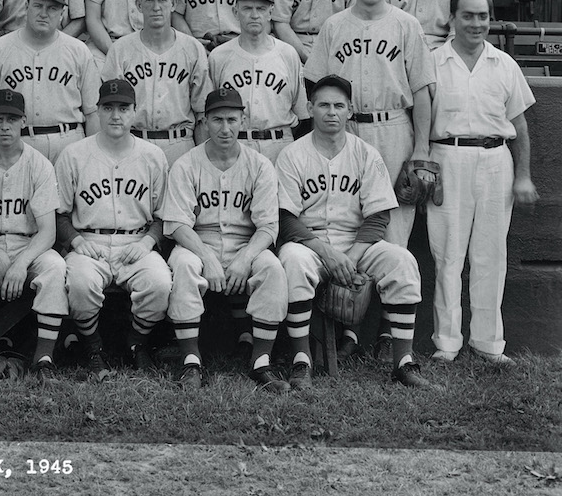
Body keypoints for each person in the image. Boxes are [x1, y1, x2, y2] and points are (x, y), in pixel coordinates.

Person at [274, 75, 430, 390]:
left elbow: (378, 215)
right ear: (310, 108)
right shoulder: (292, 154)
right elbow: (286, 218)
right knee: (292, 261)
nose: (331, 112)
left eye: (339, 106)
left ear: (350, 110)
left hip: (356, 243)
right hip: (309, 244)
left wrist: (352, 257)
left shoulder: (366, 153)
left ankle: (403, 363)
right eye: (323, 105)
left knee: (402, 261)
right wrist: (327, 253)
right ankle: (301, 361)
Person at [427, 0, 538, 365]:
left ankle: (488, 344)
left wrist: (522, 176)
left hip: (495, 161)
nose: (476, 24)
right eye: (468, 16)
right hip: (447, 157)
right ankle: (447, 342)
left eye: (483, 16)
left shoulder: (504, 64)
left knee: (491, 256)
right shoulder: (433, 62)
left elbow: (519, 126)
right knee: (447, 255)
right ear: (452, 18)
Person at [304, 0, 435, 249]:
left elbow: (420, 90)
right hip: (344, 130)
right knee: (344, 216)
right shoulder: (334, 25)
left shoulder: (407, 25)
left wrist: (421, 148)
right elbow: (317, 85)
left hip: (393, 129)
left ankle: (388, 292)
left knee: (393, 223)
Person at [163, 87, 285, 390]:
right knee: (185, 266)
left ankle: (261, 362)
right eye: (217, 119)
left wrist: (245, 259)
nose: (225, 127)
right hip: (196, 240)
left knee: (273, 269)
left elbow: (268, 226)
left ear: (242, 120)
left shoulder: (259, 165)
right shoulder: (186, 164)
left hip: (246, 242)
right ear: (205, 121)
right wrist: (206, 257)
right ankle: (191, 362)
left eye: (232, 119)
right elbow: (177, 223)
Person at [54, 79, 171, 381]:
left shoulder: (153, 156)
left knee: (159, 284)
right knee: (80, 284)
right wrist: (77, 241)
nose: (116, 115)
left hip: (137, 241)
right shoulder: (74, 154)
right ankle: (93, 348)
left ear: (135, 112)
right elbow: (59, 214)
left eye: (123, 108)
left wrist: (148, 242)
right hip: (88, 241)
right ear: (98, 111)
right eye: (108, 108)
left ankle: (136, 342)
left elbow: (164, 215)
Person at [0, 89, 68, 380]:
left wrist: (20, 263)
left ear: (23, 122)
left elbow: (48, 231)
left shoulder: (39, 164)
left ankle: (44, 358)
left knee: (55, 266)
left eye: (12, 119)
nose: (5, 125)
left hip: (27, 245)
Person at [0, 0, 100, 163]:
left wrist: (93, 159)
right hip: (16, 144)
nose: (44, 13)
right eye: (38, 5)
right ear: (26, 6)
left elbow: (92, 113)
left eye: (52, 8)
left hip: (68, 141)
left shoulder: (78, 51)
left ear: (62, 13)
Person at [103, 0, 213, 168]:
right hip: (133, 143)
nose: (156, 7)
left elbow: (202, 111)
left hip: (180, 144)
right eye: (149, 0)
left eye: (162, 0)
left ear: (173, 4)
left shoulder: (192, 48)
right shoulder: (120, 49)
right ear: (138, 5)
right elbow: (108, 111)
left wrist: (202, 158)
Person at [208, 0, 308, 163]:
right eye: (247, 8)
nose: (254, 15)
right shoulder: (219, 56)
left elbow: (302, 113)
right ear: (235, 12)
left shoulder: (288, 54)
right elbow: (209, 114)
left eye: (261, 9)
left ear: (271, 12)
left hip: (280, 145)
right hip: (235, 145)